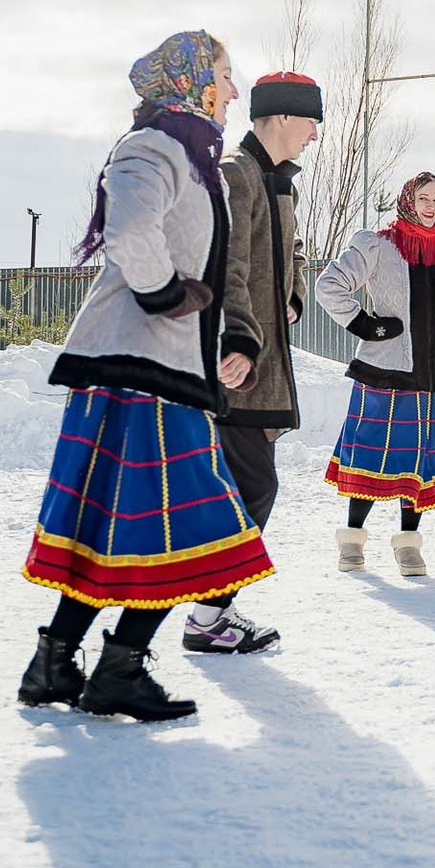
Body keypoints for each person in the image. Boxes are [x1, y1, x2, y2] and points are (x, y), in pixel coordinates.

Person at [15, 30, 270, 722]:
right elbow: (131, 232)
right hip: (139, 370)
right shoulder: (152, 147)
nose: (233, 89)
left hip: (166, 369)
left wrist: (227, 338)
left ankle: (54, 663)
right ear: (192, 80)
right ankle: (119, 670)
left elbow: (210, 266)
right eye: (224, 74)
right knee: (190, 526)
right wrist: (165, 295)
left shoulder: (197, 164)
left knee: (114, 525)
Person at [179, 71, 323, 656]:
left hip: (259, 362)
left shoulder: (278, 183)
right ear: (283, 117)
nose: (315, 133)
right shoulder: (236, 174)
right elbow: (223, 264)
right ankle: (207, 617)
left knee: (242, 486)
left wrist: (292, 296)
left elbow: (291, 253)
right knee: (252, 485)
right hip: (236, 364)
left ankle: (208, 611)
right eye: (311, 120)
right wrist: (235, 339)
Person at [313, 172, 435, 576]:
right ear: (408, 200)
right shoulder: (376, 245)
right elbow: (329, 285)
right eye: (423, 198)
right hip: (383, 372)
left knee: (419, 463)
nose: (430, 207)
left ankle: (408, 544)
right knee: (370, 456)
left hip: (430, 375)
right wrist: (365, 324)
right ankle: (352, 539)